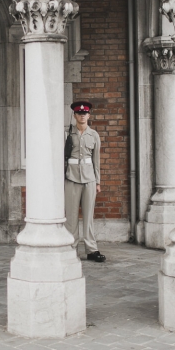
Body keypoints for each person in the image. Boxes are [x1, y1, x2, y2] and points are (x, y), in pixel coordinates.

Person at [64, 101, 106, 262]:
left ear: (89, 115)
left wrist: (98, 182)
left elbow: (96, 161)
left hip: (89, 179)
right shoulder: (67, 135)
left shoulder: (94, 135)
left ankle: (92, 249)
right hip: (71, 178)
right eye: (79, 113)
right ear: (74, 115)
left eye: (85, 113)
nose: (82, 116)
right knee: (71, 217)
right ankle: (71, 247)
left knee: (89, 216)